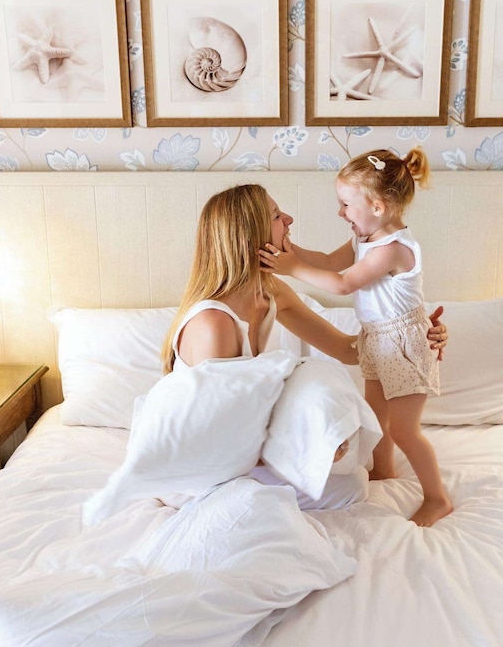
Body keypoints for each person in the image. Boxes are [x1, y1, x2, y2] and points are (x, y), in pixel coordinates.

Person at [161, 185, 448, 475]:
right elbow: (221, 433)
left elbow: (346, 351)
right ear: (249, 237)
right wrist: (305, 444)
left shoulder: (271, 293)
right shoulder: (213, 324)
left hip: (241, 445)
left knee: (352, 483)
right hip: (205, 460)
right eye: (276, 216)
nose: (289, 219)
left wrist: (413, 337)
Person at [259, 151, 453, 528]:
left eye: (346, 204)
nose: (340, 212)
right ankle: (384, 469)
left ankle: (437, 498)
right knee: (377, 418)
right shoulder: (364, 238)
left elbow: (344, 283)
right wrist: (291, 252)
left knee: (405, 430)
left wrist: (292, 268)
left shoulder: (393, 249)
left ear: (378, 207)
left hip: (406, 344)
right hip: (377, 340)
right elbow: (329, 262)